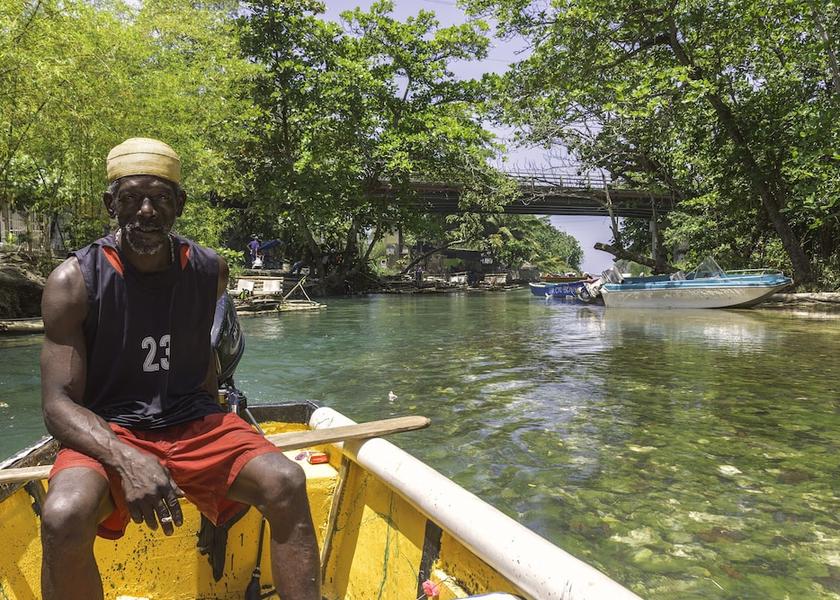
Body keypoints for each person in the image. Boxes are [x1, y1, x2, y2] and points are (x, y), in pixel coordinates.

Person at [38, 138, 320, 600]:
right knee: (63, 514)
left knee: (286, 481)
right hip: (111, 429)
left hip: (192, 422)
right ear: (111, 204)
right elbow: (57, 405)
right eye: (130, 198)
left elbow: (202, 357)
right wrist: (126, 458)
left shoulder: (211, 270)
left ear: (179, 205)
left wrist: (217, 423)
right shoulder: (74, 281)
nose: (145, 211)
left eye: (160, 198)